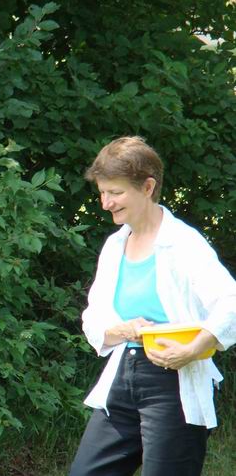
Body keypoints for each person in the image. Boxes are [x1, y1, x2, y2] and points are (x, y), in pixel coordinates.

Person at [69, 136, 236, 476]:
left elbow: (230, 303)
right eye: (102, 192)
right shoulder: (115, 246)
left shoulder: (184, 243)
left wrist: (192, 350)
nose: (105, 203)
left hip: (172, 384)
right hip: (122, 376)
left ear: (147, 186)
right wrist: (125, 330)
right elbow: (94, 316)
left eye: (115, 192)